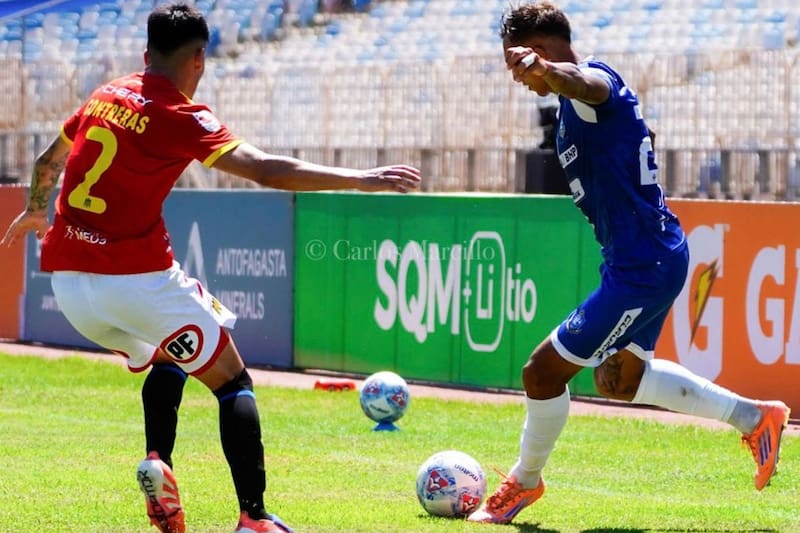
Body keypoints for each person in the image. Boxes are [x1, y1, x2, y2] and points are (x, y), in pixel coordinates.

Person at [0, 3, 420, 533]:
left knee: (168, 353)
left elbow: (46, 163)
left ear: (145, 54)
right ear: (200, 58)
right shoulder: (182, 116)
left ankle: (159, 460)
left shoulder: (104, 93)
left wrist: (38, 208)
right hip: (136, 281)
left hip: (67, 284)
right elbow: (267, 169)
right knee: (233, 382)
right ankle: (255, 517)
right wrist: (361, 178)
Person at [467, 1, 790, 525]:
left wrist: (550, 72)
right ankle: (756, 418)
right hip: (646, 256)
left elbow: (584, 81)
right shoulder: (578, 113)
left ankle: (523, 484)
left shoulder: (590, 84)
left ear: (541, 49)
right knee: (620, 382)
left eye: (518, 62)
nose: (520, 78)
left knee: (541, 372)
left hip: (642, 265)